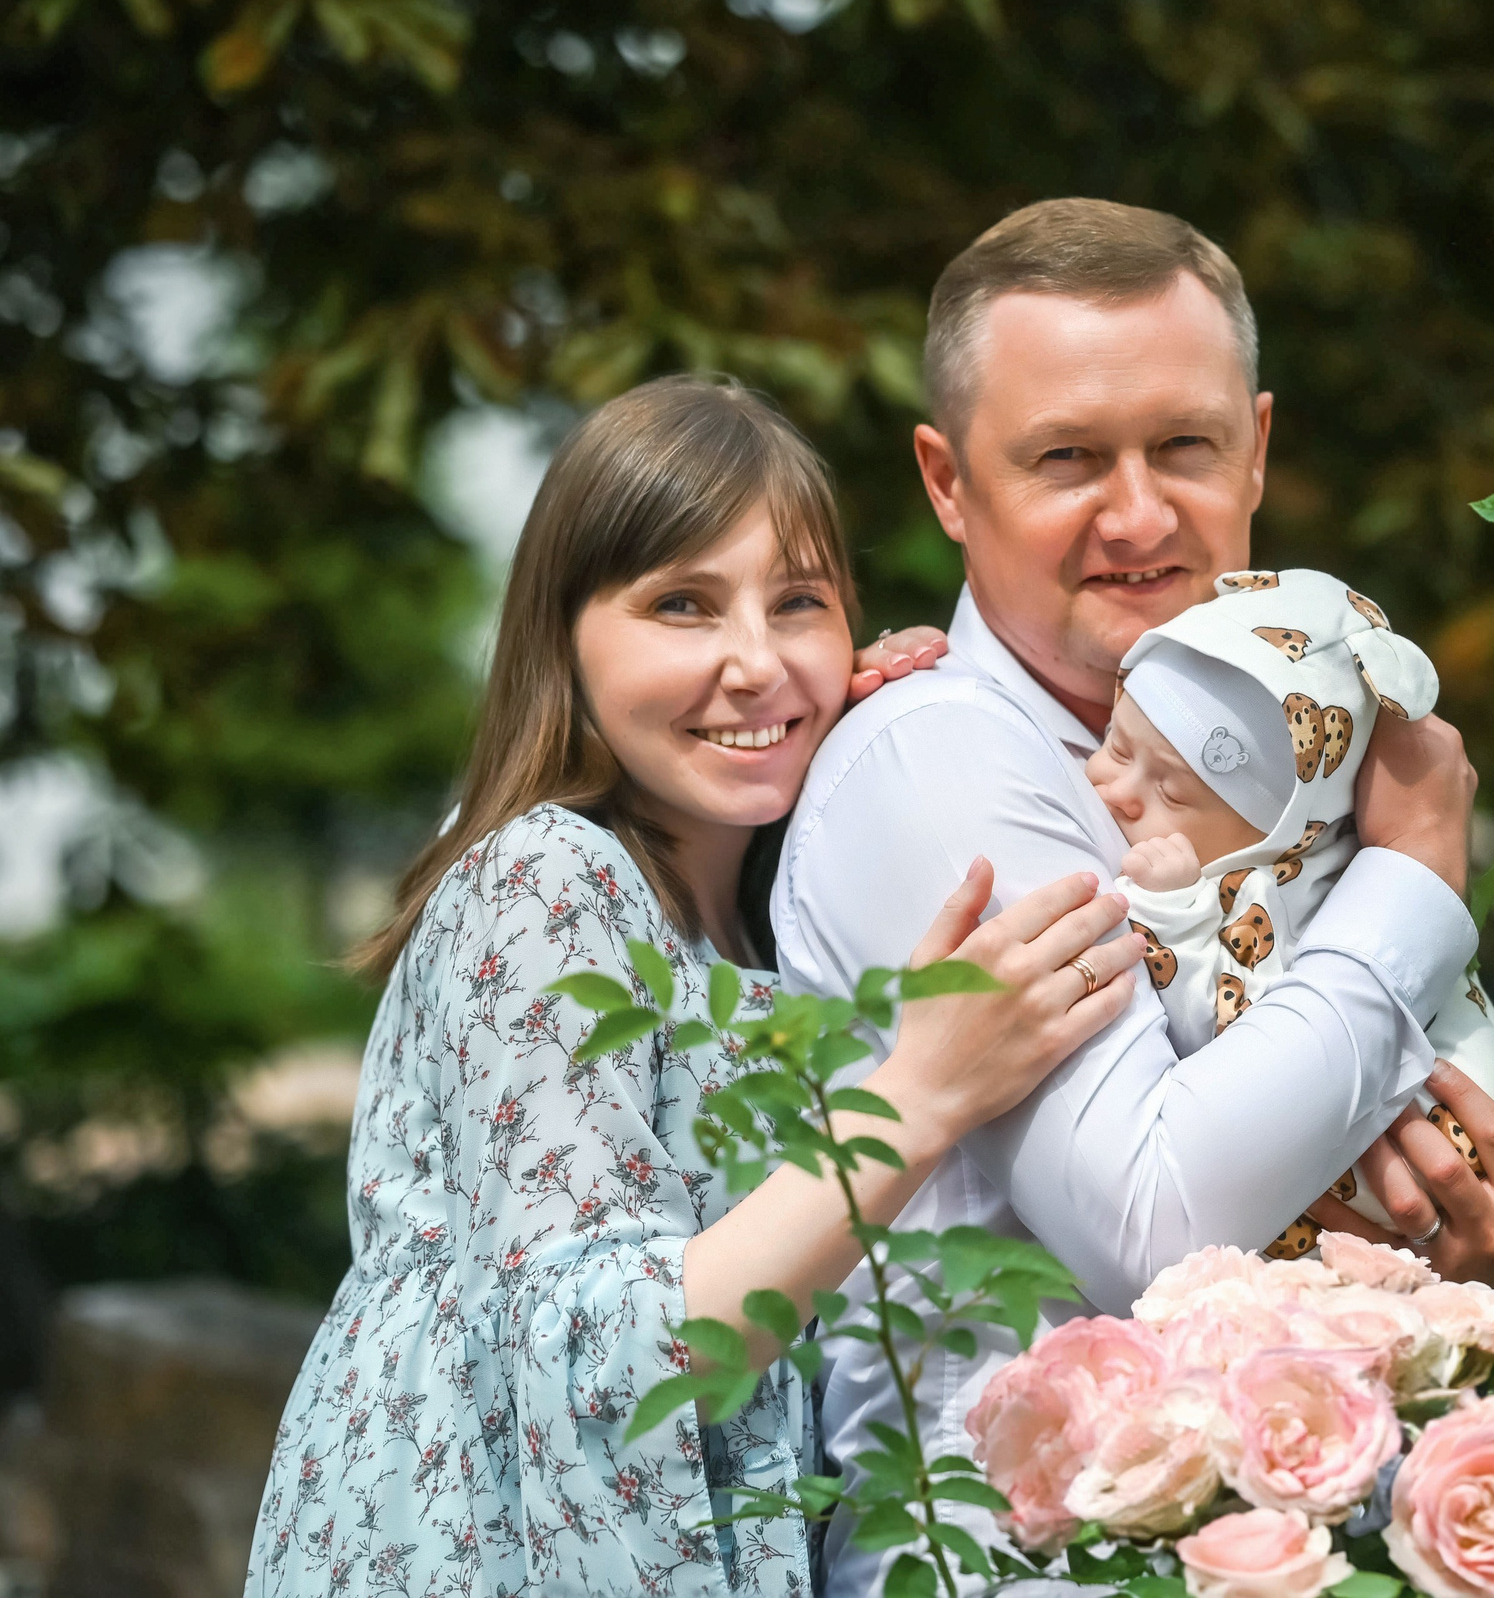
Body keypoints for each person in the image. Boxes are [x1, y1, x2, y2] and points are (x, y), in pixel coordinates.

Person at [772, 199, 1494, 1595]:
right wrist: (1410, 880)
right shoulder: (940, 755)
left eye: (1187, 447)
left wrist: (1469, 1245)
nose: (1140, 514)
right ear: (946, 481)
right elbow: (1154, 1212)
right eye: (1067, 459)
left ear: (1258, 449)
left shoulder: (1305, 758)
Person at [248, 377, 1145, 1597]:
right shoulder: (546, 881)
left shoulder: (755, 909)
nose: (753, 661)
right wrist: (921, 1088)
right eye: (681, 605)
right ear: (561, 631)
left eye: (799, 605)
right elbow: (614, 1362)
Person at [1092, 564, 1494, 1250]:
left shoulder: (1282, 896)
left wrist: (1175, 919)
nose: (1117, 789)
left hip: (1416, 1181)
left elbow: (1244, 1055)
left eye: (1174, 794)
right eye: (1117, 744)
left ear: (1276, 835)